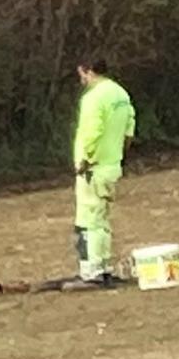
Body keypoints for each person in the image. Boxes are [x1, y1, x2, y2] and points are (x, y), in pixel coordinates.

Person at [72, 55, 137, 284]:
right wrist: (119, 155)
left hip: (94, 168)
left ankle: (91, 270)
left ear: (87, 71)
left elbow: (92, 131)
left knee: (88, 220)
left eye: (81, 74)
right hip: (112, 166)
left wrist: (85, 160)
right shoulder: (120, 93)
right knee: (102, 218)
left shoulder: (93, 98)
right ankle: (104, 266)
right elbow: (129, 129)